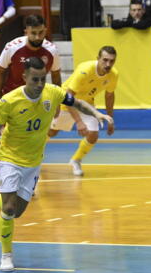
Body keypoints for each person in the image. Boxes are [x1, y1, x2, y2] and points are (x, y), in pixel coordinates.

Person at [0, 56, 113, 271]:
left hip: (34, 161)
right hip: (9, 158)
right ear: (24, 77)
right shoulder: (9, 101)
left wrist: (96, 113)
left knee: (17, 212)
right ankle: (6, 256)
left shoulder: (52, 92)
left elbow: (77, 102)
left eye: (42, 79)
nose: (39, 84)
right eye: (34, 79)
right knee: (8, 208)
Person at [0, 14, 62, 191]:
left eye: (41, 33)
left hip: (36, 101)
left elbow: (56, 76)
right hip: (12, 100)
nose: (37, 37)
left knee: (34, 139)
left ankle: (27, 179)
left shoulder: (51, 50)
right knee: (5, 139)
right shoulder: (12, 47)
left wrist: (57, 104)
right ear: (26, 31)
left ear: (45, 30)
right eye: (33, 33)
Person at [48, 46, 118, 176]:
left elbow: (109, 95)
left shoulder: (113, 75)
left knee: (93, 134)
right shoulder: (85, 70)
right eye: (105, 60)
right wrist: (79, 122)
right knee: (52, 132)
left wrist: (110, 119)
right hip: (66, 101)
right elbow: (68, 97)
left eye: (112, 61)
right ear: (98, 59)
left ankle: (76, 160)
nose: (108, 64)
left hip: (86, 104)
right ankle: (33, 154)